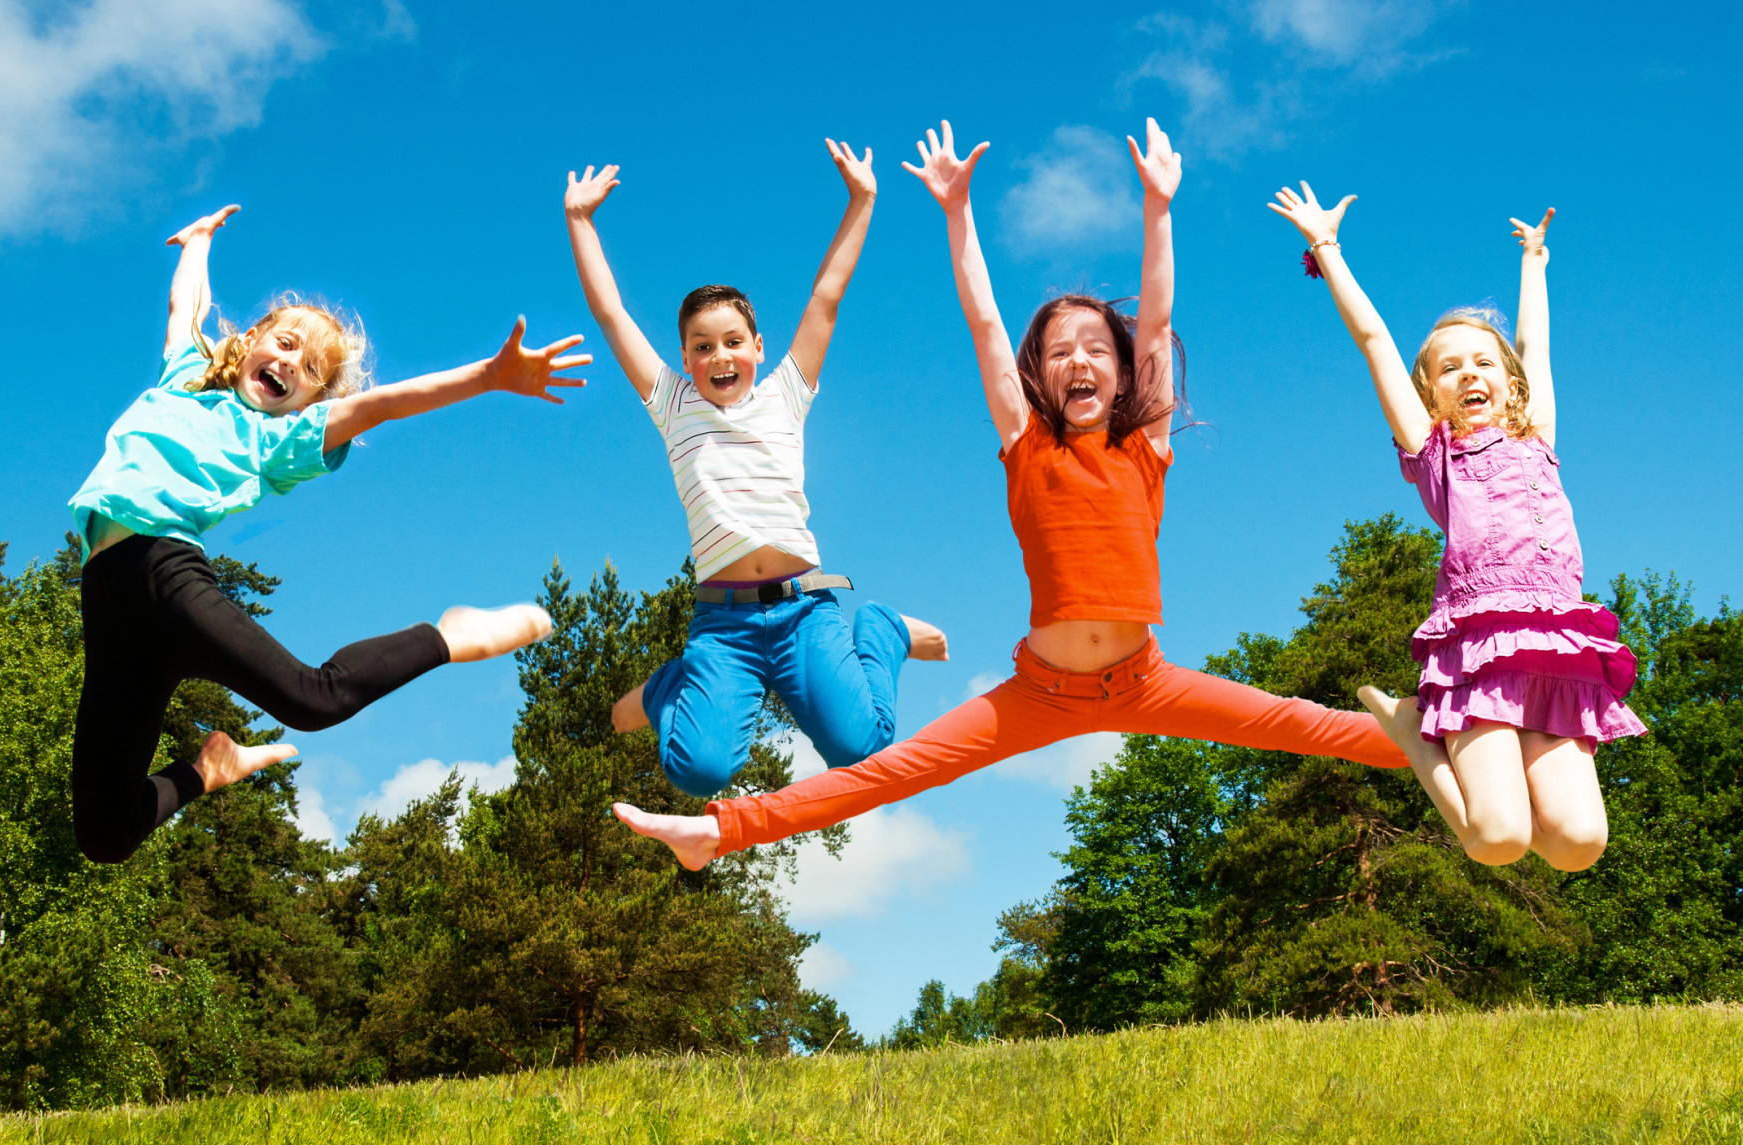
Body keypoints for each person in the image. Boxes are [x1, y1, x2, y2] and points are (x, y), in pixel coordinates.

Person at [615, 120, 1409, 869]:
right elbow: (987, 322)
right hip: (1041, 691)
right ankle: (717, 831)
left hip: (1145, 678)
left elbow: (1157, 320)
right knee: (890, 770)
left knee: (1316, 726)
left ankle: (1463, 735)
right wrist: (957, 211)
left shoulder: (1144, 446)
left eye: (1096, 349)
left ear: (1123, 373)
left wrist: (1158, 207)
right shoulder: (1027, 446)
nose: (1080, 361)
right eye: (1060, 352)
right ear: (1038, 377)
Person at [69, 203, 589, 864]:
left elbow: (381, 404)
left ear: (312, 402)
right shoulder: (185, 378)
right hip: (106, 597)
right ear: (251, 340)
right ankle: (209, 770)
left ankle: (446, 636)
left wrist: (487, 376)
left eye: (312, 369)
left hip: (163, 573)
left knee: (314, 701)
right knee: (105, 835)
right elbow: (187, 307)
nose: (292, 364)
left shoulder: (279, 439)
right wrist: (197, 242)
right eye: (287, 344)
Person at [1268, 183, 1642, 871]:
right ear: (1430, 393)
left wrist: (1534, 263)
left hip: (1557, 647)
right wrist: (1326, 248)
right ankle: (1414, 731)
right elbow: (1375, 341)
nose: (1470, 373)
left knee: (1579, 845)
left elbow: (1534, 348)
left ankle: (1454, 752)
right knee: (1497, 839)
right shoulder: (1436, 452)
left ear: (1510, 383)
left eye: (1483, 362)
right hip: (1479, 648)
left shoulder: (1537, 435)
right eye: (1450, 367)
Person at [564, 140, 948, 799]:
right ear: (685, 359)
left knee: (863, 748)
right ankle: (667, 687)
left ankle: (882, 628)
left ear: (758, 347)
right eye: (702, 346)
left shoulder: (785, 395)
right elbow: (611, 314)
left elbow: (826, 298)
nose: (720, 355)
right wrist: (580, 220)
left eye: (733, 341)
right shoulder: (673, 407)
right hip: (724, 625)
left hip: (805, 612)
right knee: (698, 771)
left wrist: (862, 200)